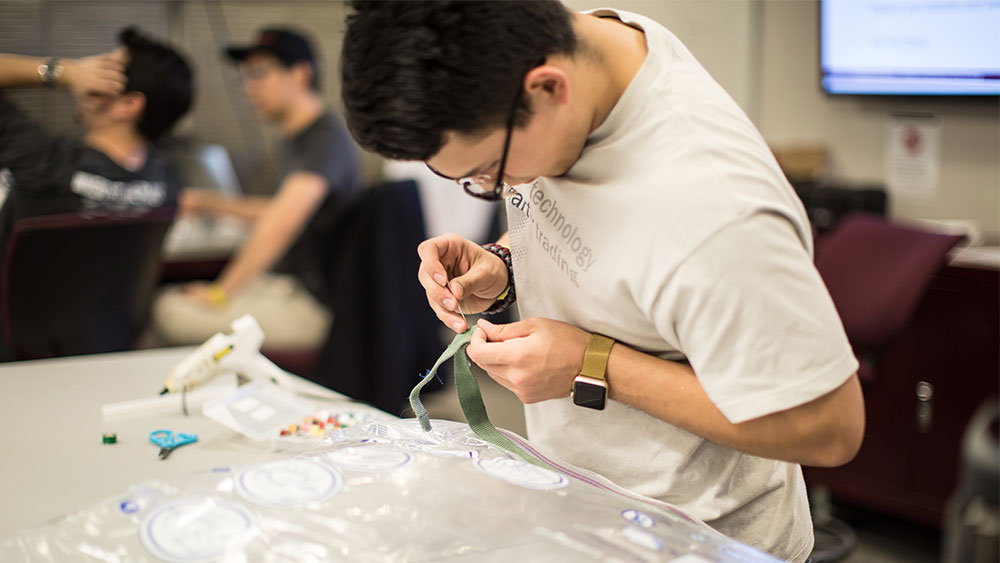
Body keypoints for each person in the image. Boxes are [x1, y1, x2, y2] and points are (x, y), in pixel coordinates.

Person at [339, 2, 865, 561]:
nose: (493, 185)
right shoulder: (577, 47)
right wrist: (505, 265)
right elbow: (615, 244)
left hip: (700, 538)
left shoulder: (719, 211)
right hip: (587, 508)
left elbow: (829, 425)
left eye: (490, 170)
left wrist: (591, 364)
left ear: (548, 89)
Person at [151, 27, 361, 350]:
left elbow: (281, 221)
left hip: (307, 303)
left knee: (165, 311)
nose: (249, 87)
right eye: (246, 76)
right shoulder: (303, 137)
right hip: (288, 286)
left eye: (260, 74)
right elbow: (281, 208)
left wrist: (220, 292)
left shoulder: (323, 140)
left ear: (301, 74)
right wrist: (209, 204)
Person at [0, 28, 194, 359]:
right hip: (102, 352)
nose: (90, 70)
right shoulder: (165, 182)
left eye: (104, 70)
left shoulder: (47, 162)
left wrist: (63, 72)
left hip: (14, 352)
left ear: (128, 104)